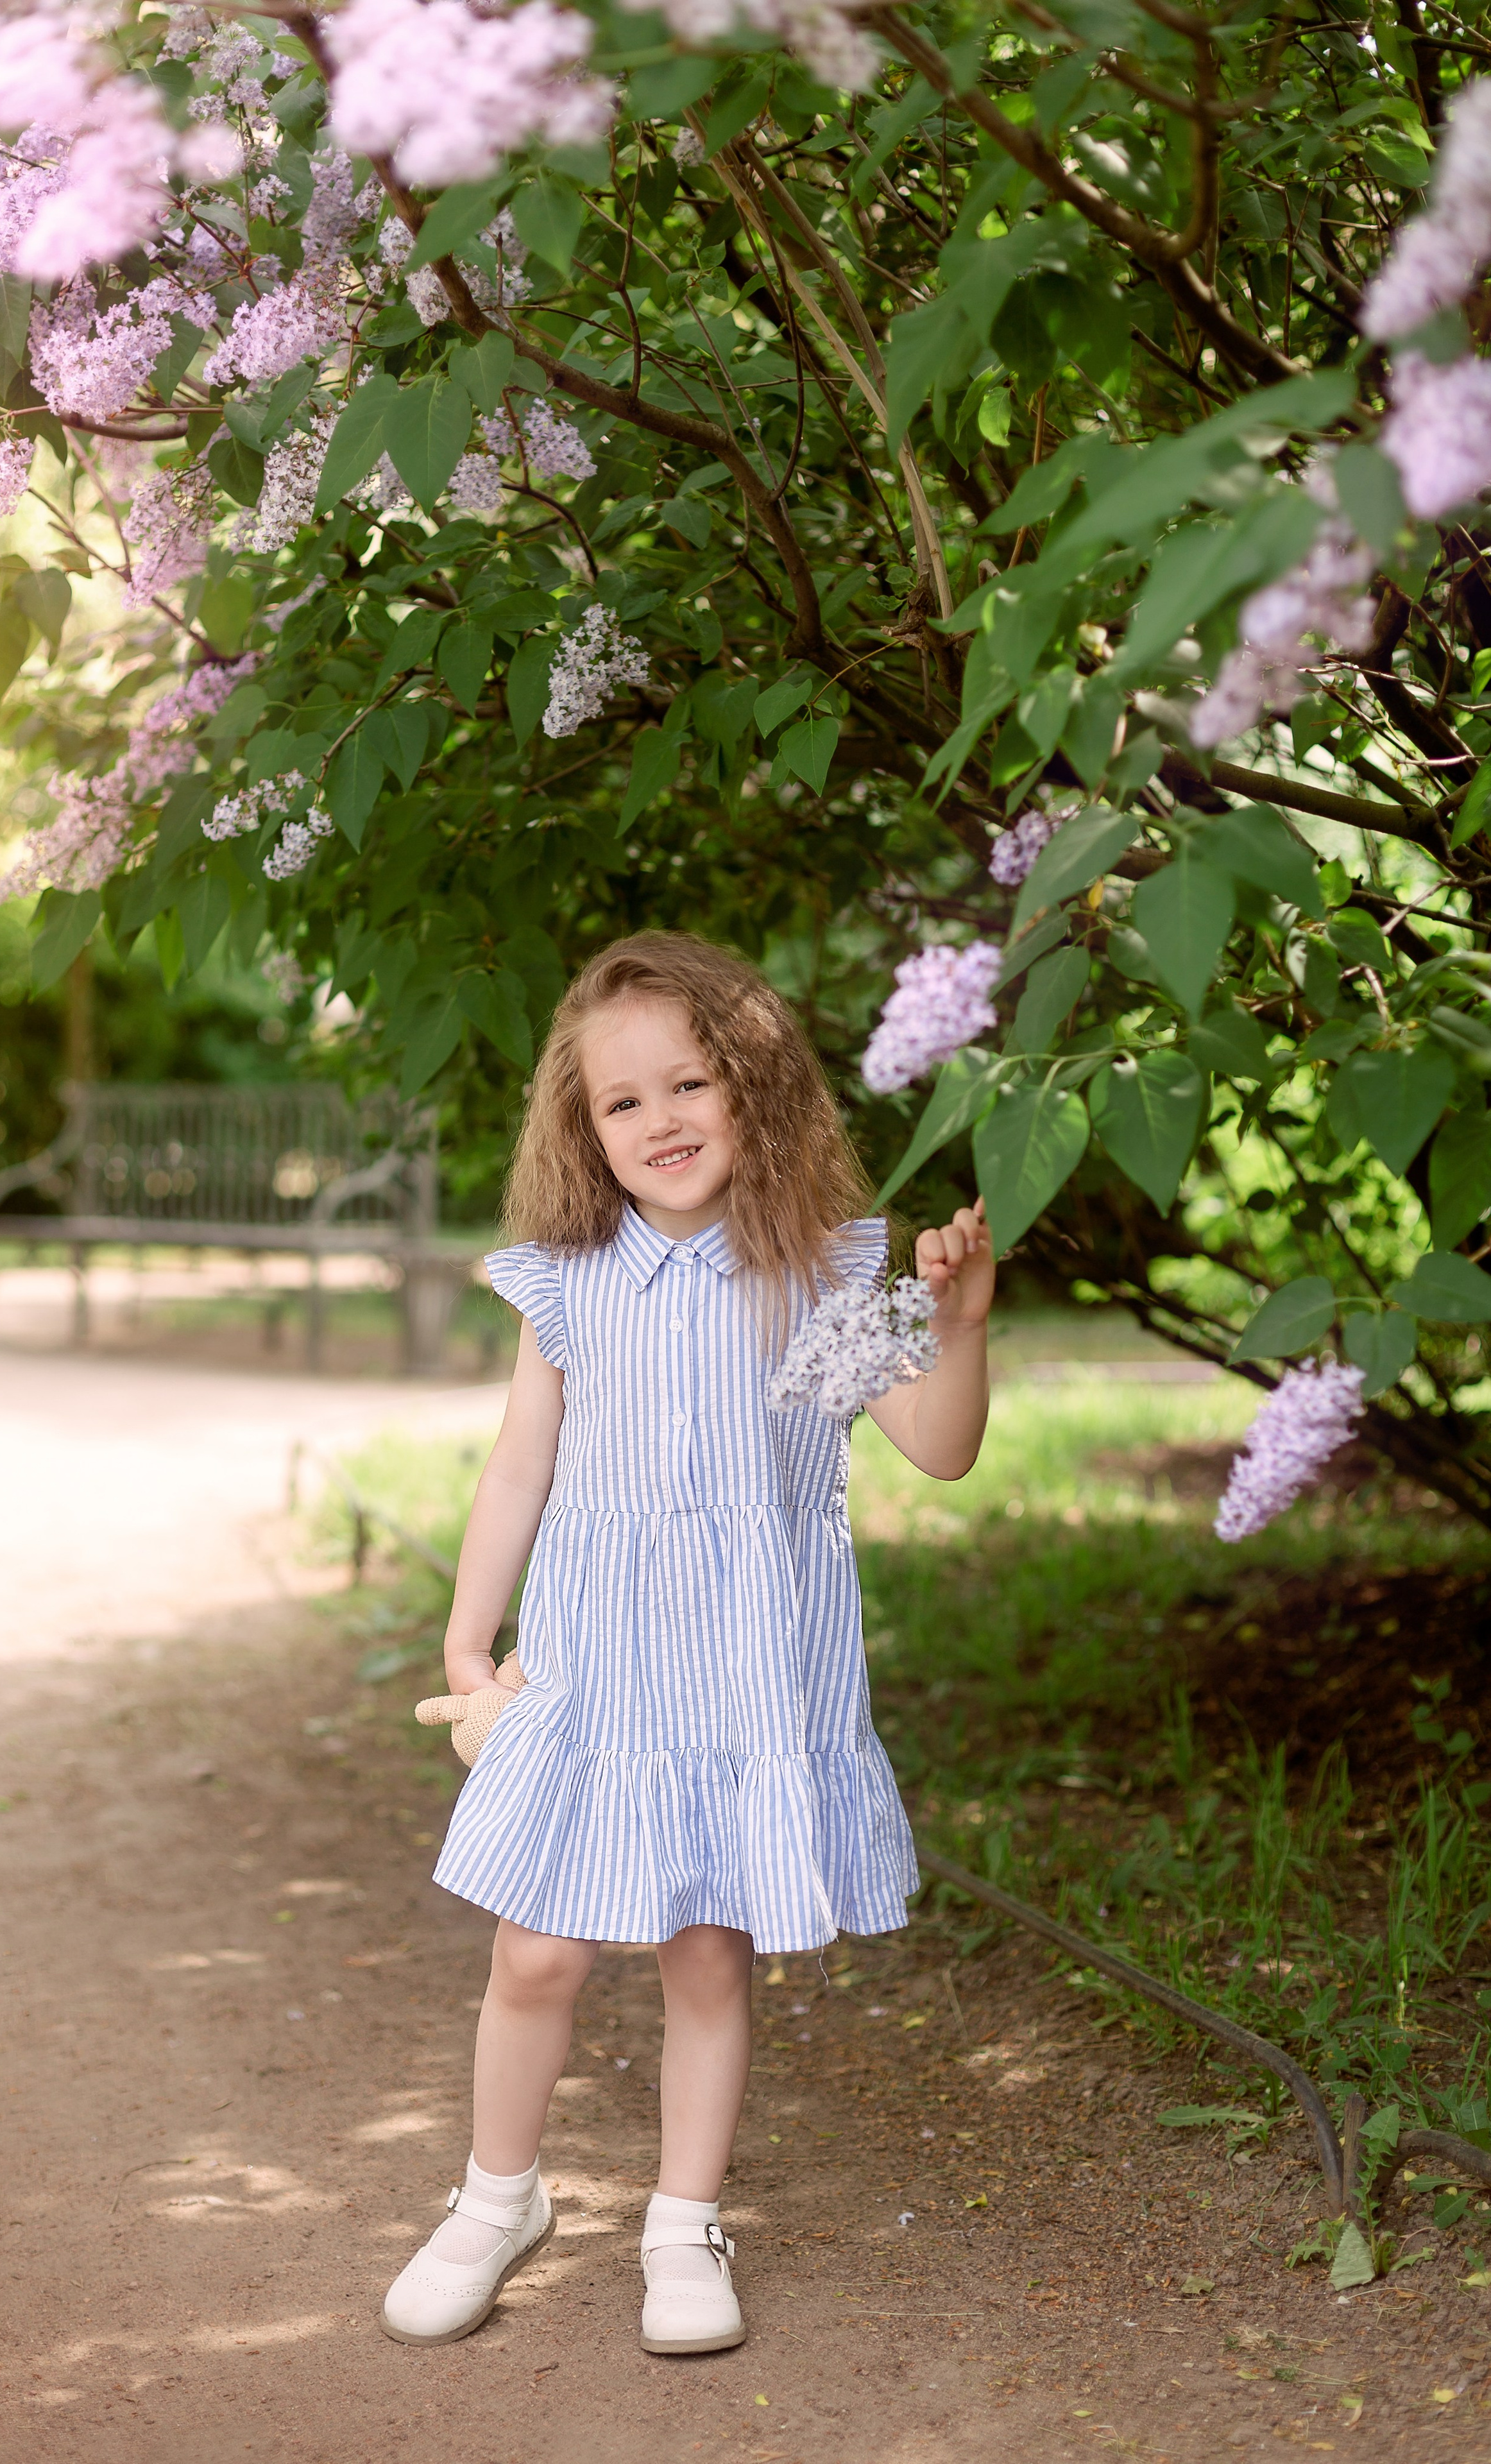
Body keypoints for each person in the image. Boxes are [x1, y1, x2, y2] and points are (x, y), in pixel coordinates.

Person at [380, 930, 994, 2356]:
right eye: (622, 1101)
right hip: (592, 1677)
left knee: (706, 1959)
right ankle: (497, 2199)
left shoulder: (818, 1271)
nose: (659, 1119)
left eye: (691, 1083)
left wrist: (956, 1328)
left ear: (756, 1092)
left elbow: (940, 1451)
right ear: (582, 1129)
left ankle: (680, 2221)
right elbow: (518, 1468)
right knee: (534, 1955)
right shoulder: (567, 1279)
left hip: (737, 1685)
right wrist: (471, 1644)